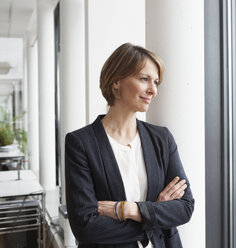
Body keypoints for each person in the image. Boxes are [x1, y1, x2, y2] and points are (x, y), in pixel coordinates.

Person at [65, 43, 194, 248]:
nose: (153, 90)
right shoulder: (81, 143)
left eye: (156, 82)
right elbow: (85, 226)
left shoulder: (161, 138)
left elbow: (185, 207)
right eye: (144, 79)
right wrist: (155, 214)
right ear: (116, 81)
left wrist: (130, 210)